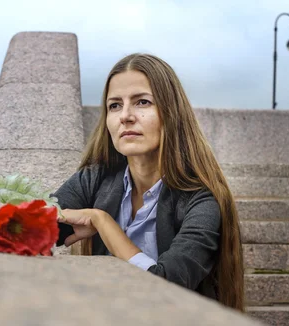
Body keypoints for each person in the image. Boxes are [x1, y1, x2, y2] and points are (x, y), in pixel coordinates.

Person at [51, 53, 244, 312]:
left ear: (171, 113)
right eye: (115, 105)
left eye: (142, 102)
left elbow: (165, 283)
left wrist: (102, 221)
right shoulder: (95, 178)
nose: (126, 116)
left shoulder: (202, 200)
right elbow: (36, 229)